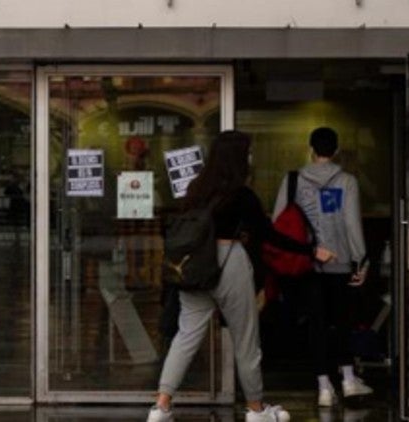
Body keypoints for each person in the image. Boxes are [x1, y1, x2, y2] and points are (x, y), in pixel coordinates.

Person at [148, 130, 293, 422]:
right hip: (230, 264)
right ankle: (256, 409)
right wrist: (310, 249)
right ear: (240, 157)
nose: (251, 157)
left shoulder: (196, 188)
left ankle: (161, 407)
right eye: (248, 152)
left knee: (185, 336)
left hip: (195, 268)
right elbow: (268, 235)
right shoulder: (242, 194)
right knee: (246, 340)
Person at [272, 127, 373, 408]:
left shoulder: (292, 180)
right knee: (342, 321)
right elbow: (352, 223)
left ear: (311, 149)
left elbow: (278, 224)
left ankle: (323, 387)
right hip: (340, 263)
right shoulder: (347, 181)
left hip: (306, 264)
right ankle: (349, 381)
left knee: (316, 324)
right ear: (336, 151)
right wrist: (360, 260)